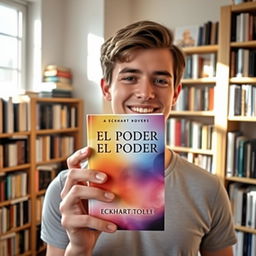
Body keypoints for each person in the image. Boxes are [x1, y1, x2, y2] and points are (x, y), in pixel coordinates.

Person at [41, 20, 237, 256]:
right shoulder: (67, 190)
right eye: (130, 78)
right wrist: (79, 248)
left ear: (175, 93)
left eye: (161, 80)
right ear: (106, 89)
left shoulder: (208, 189)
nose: (146, 93)